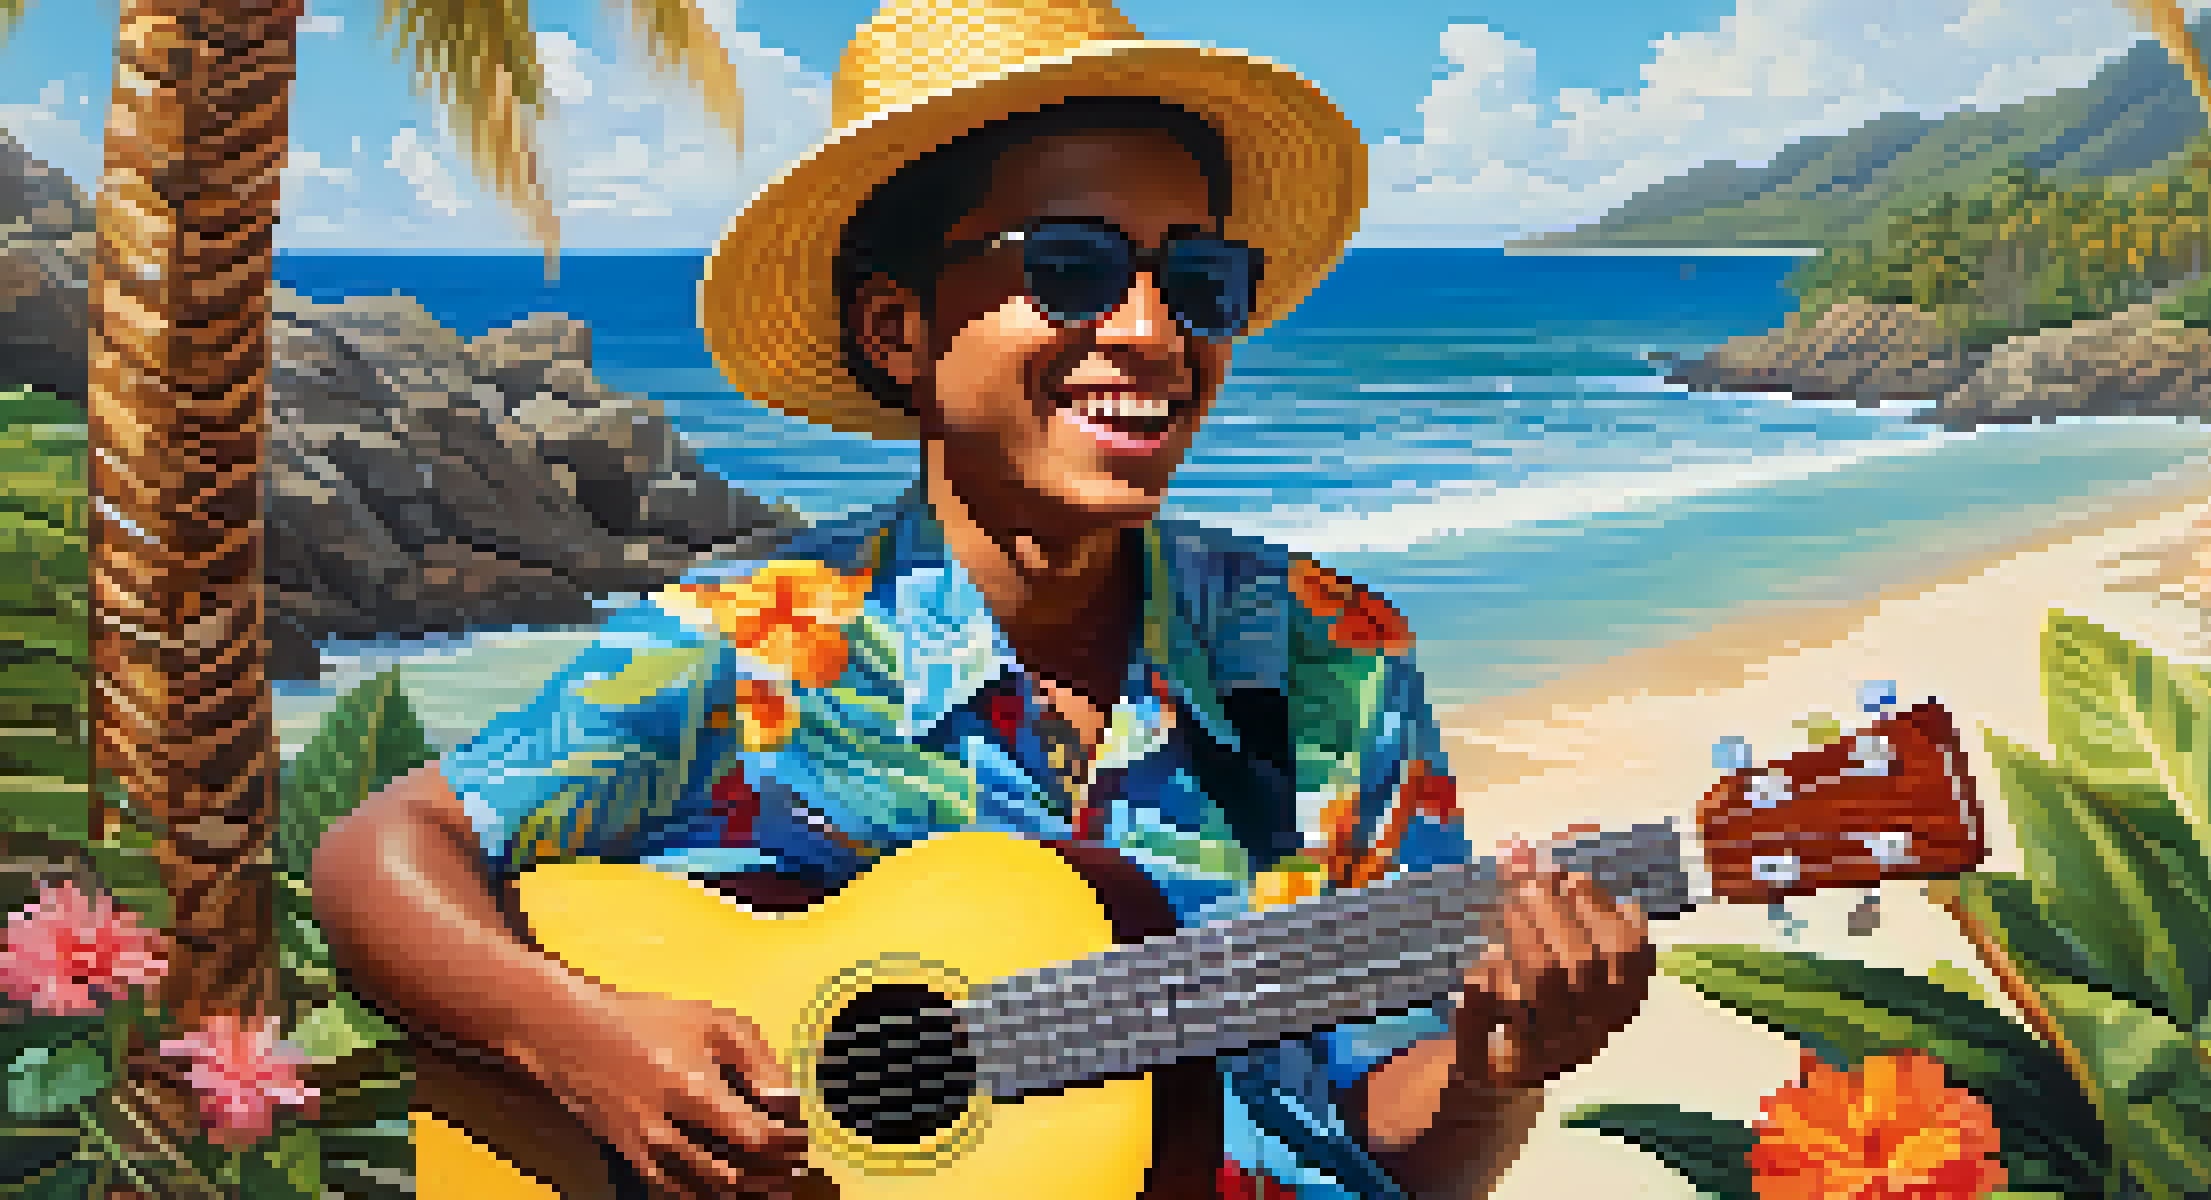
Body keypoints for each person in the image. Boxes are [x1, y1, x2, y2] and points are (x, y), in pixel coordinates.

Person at [312, 3, 1656, 1198]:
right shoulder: (760, 646)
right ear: (899, 333)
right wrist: (586, 1044)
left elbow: (1400, 1156)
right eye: (1071, 267)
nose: (1152, 333)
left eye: (1200, 283)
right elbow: (385, 852)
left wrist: (1496, 1070)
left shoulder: (1330, 656)